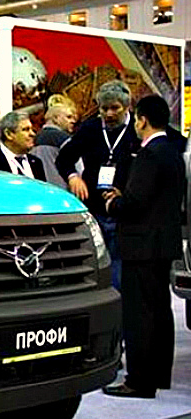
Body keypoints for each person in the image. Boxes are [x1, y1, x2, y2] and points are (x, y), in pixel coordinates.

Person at [101, 95, 185, 398]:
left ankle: (139, 380)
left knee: (139, 314)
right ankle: (159, 374)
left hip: (141, 245)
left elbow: (135, 203)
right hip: (163, 244)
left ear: (142, 119)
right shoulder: (173, 152)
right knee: (160, 310)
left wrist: (113, 203)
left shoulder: (149, 155)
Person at [55, 80, 139, 290]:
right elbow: (64, 158)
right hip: (94, 207)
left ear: (127, 106)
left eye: (115, 108)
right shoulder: (90, 128)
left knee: (120, 267)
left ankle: (118, 303)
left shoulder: (136, 130)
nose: (109, 114)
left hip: (124, 211)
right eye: (104, 109)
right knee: (95, 263)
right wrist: (73, 177)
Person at [0, 111, 46, 181]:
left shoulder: (36, 163)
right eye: (26, 130)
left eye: (31, 129)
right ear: (8, 134)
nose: (32, 134)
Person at [30, 103, 76, 188]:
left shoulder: (32, 140)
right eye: (69, 117)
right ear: (56, 118)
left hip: (39, 188)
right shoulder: (64, 139)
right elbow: (79, 168)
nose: (73, 121)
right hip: (62, 190)